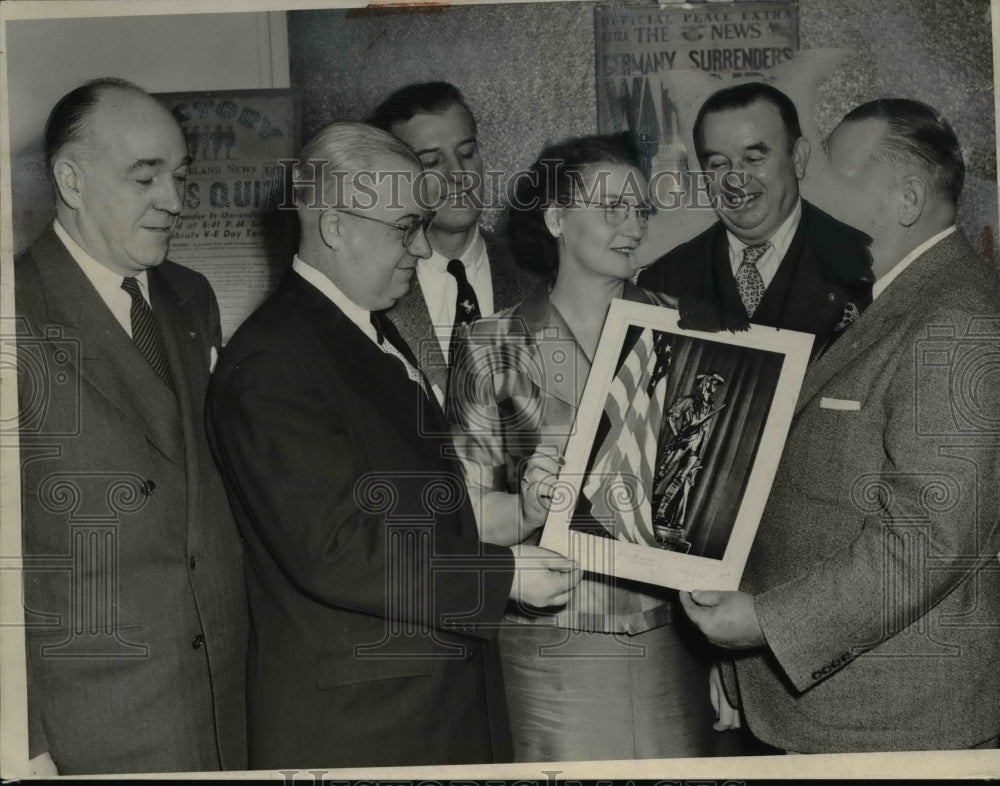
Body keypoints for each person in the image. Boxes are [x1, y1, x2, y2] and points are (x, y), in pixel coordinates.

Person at [205, 121, 580, 769]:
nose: (421, 248)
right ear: (335, 226)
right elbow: (339, 551)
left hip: (426, 703)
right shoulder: (272, 362)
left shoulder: (362, 330)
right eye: (404, 226)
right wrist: (506, 574)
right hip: (366, 726)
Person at [680, 98, 1000, 752]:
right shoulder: (875, 298)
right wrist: (746, 669)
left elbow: (925, 542)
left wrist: (766, 625)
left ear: (907, 199)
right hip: (820, 705)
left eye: (831, 186)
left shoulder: (956, 324)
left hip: (891, 725)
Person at [448, 132, 731, 761]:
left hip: (672, 639)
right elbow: (466, 515)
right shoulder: (488, 345)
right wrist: (524, 509)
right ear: (555, 219)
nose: (632, 226)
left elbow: (719, 507)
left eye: (640, 211)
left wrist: (725, 652)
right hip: (547, 645)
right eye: (612, 208)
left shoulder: (690, 331)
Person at [14, 78, 247, 775]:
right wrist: (23, 745)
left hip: (225, 707)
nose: (174, 201)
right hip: (98, 728)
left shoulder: (191, 296)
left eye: (179, 177)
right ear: (72, 180)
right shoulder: (13, 310)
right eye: (145, 177)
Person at [639, 82, 874, 360]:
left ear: (798, 158)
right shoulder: (662, 282)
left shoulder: (866, 263)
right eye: (717, 164)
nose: (735, 180)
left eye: (753, 158)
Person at [369, 82, 537, 401]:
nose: (458, 173)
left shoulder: (538, 276)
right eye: (432, 162)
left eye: (466, 153)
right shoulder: (371, 292)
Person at [651, 372, 726, 551]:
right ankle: (643, 507)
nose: (715, 387)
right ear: (706, 383)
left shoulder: (711, 406)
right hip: (681, 443)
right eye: (713, 383)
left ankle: (660, 513)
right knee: (660, 474)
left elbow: (705, 432)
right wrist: (677, 435)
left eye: (717, 384)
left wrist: (699, 452)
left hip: (695, 448)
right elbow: (671, 416)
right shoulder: (689, 400)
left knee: (679, 479)